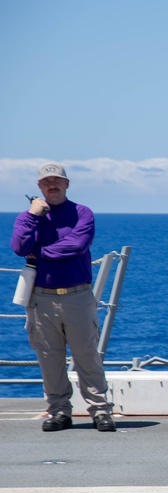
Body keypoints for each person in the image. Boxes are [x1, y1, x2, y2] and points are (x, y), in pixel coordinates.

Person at [10, 162, 116, 433]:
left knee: (87, 355)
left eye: (57, 181)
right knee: (49, 356)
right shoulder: (29, 216)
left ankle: (100, 410)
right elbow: (19, 246)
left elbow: (76, 246)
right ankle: (59, 411)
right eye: (46, 182)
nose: (52, 185)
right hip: (41, 298)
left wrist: (39, 252)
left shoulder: (82, 213)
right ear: (39, 187)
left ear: (67, 184)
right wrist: (33, 216)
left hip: (77, 295)